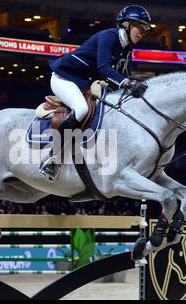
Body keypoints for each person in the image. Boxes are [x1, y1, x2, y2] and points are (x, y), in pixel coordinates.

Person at [39, 5, 154, 182]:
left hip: (84, 83)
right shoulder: (109, 36)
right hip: (65, 78)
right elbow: (103, 68)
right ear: (126, 24)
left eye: (145, 30)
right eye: (140, 27)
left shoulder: (127, 47)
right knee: (81, 109)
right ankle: (52, 157)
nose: (142, 33)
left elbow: (123, 74)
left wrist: (132, 85)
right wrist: (127, 82)